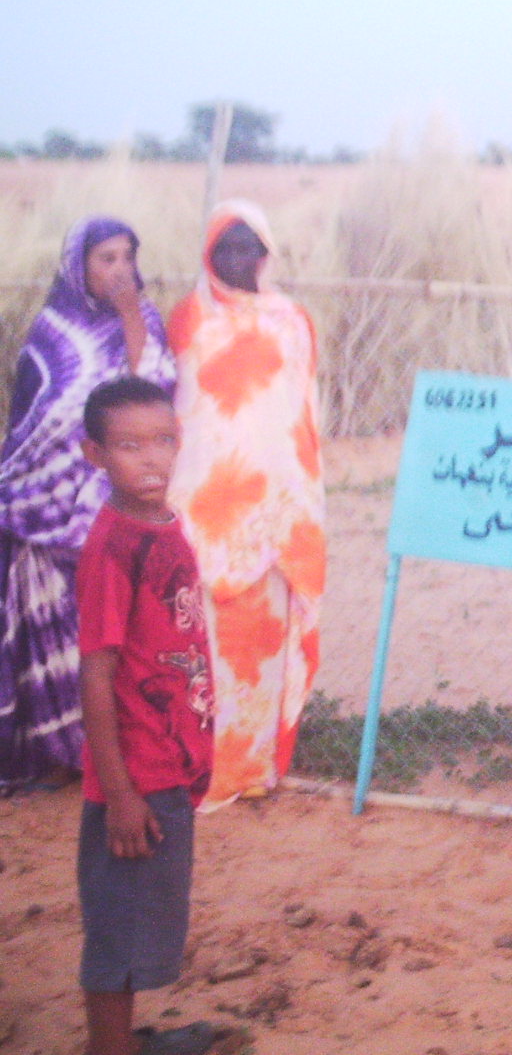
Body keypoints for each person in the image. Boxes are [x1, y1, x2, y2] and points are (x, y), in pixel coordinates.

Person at [1, 217, 175, 793]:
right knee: (51, 629)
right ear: (78, 267)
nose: (121, 269)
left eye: (128, 256)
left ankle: (108, 755)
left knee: (111, 631)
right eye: (107, 258)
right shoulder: (51, 332)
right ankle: (57, 752)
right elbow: (33, 423)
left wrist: (130, 320)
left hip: (111, 502)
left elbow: (152, 395)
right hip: (42, 504)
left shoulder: (144, 321)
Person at [166, 201, 325, 809]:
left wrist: (299, 502)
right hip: (202, 510)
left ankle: (256, 767)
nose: (238, 259)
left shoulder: (292, 322)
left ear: (266, 253)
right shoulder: (187, 319)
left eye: (249, 247)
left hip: (276, 513)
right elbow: (180, 411)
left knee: (264, 644)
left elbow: (303, 414)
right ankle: (200, 769)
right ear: (208, 255)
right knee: (202, 643)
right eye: (225, 248)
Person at [76, 377, 217, 1055]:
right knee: (119, 925)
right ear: (95, 454)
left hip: (169, 760)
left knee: (141, 917)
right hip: (136, 775)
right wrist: (120, 794)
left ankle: (123, 1044)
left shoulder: (161, 524)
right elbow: (96, 673)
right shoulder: (113, 549)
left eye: (163, 440)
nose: (151, 458)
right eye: (129, 446)